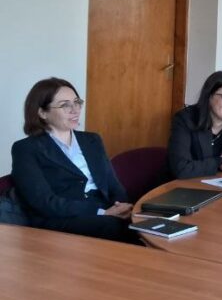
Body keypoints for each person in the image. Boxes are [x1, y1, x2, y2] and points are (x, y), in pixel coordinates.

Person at [11, 77, 136, 243]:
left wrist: (122, 206)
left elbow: (112, 183)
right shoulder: (26, 148)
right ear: (42, 113)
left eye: (77, 102)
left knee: (143, 221)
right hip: (61, 216)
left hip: (103, 207)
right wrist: (102, 212)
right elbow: (44, 202)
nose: (75, 110)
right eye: (65, 105)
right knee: (115, 227)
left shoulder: (92, 140)